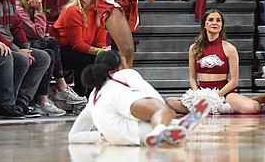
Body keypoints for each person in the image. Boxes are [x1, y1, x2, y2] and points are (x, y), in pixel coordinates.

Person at [69, 50, 210, 147]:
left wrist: (101, 135)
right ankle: (162, 129)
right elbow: (155, 98)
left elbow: (73, 137)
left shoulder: (94, 94)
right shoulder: (125, 73)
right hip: (128, 120)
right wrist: (164, 114)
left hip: (116, 136)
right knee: (164, 110)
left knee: (164, 119)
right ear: (120, 65)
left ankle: (172, 127)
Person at [0, 0, 56, 116]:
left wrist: (25, 48)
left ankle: (21, 102)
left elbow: (16, 28)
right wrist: (18, 50)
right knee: (22, 58)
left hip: (12, 45)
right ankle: (6, 103)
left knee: (44, 57)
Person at [168, 9, 261, 115]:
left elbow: (234, 81)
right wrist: (197, 94)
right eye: (211, 20)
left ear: (221, 25)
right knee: (170, 102)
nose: (215, 23)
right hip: (202, 92)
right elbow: (192, 77)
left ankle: (217, 106)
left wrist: (216, 96)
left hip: (223, 92)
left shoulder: (229, 48)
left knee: (253, 108)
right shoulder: (194, 48)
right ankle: (218, 108)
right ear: (204, 24)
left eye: (218, 20)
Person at [16, 0, 87, 112]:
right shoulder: (18, 9)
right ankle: (61, 87)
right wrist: (39, 11)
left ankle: (42, 100)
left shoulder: (32, 10)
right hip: (19, 45)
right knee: (52, 42)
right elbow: (38, 33)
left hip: (33, 44)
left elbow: (39, 34)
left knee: (50, 53)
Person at [52, 0, 109, 97]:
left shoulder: (99, 12)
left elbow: (99, 41)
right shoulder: (73, 11)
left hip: (82, 50)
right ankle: (81, 97)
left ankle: (98, 96)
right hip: (60, 52)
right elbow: (77, 44)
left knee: (104, 59)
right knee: (86, 59)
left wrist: (104, 50)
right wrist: (99, 51)